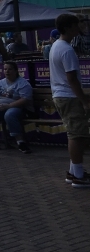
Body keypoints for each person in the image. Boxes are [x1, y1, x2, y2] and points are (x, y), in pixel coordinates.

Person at [49, 12, 90, 188]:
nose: (79, 27)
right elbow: (71, 78)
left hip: (61, 94)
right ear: (68, 28)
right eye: (76, 24)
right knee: (77, 134)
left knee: (74, 133)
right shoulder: (66, 49)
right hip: (69, 96)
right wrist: (84, 100)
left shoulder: (57, 46)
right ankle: (78, 175)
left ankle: (74, 171)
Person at [0, 61, 33, 153]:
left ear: (16, 71)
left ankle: (20, 142)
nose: (7, 71)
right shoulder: (0, 83)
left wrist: (9, 106)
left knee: (9, 114)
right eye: (5, 69)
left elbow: (25, 99)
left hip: (19, 108)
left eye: (10, 69)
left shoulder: (23, 83)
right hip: (1, 108)